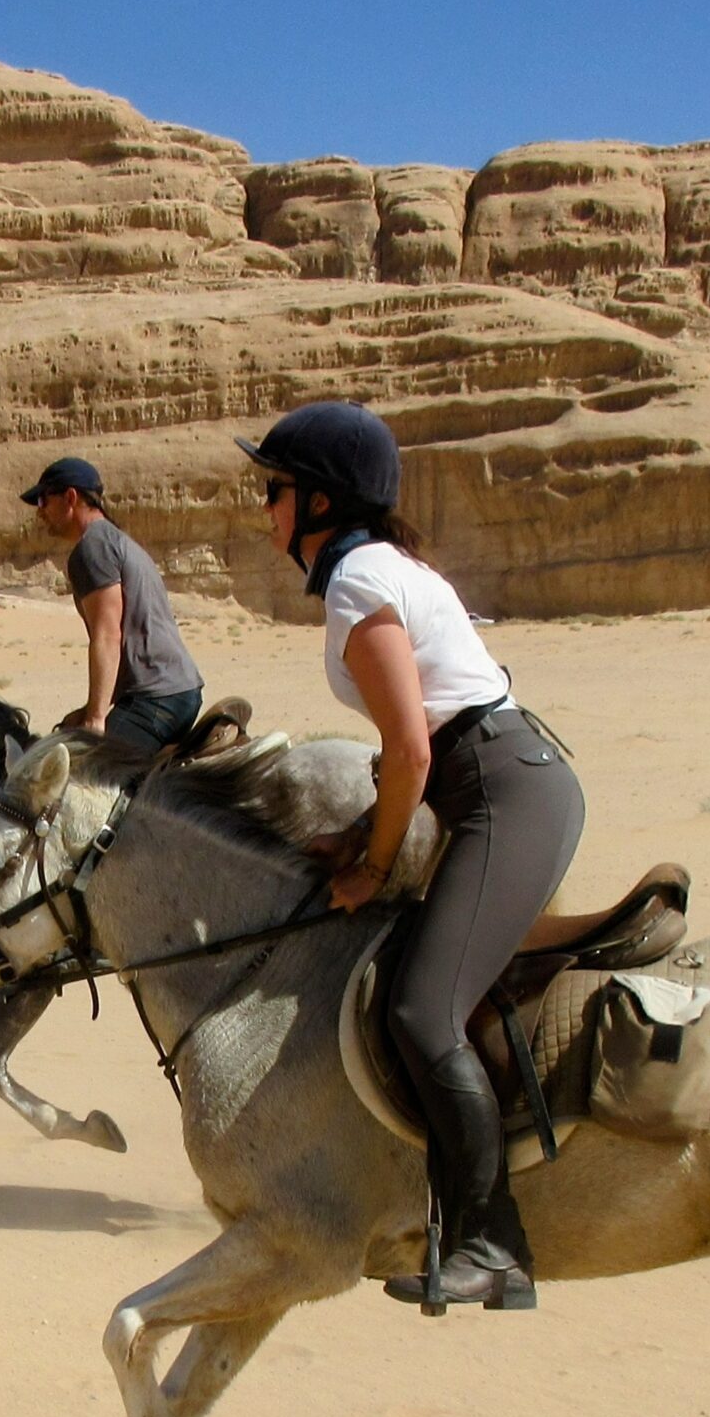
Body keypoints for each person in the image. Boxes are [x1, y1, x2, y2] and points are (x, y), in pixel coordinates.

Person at [239, 401, 585, 1312]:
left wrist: (374, 863)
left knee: (423, 1008)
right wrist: (355, 835)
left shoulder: (358, 579)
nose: (265, 507)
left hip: (501, 793)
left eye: (273, 489)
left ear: (319, 501)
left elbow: (410, 750)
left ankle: (493, 1244)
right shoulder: (379, 568)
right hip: (490, 783)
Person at [20, 455, 204, 757]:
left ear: (70, 497)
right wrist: (88, 710)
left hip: (156, 699)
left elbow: (108, 636)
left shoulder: (92, 547)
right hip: (176, 690)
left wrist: (95, 720)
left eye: (43, 500)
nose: (40, 512)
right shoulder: (115, 541)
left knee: (82, 781)